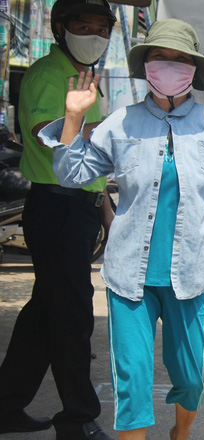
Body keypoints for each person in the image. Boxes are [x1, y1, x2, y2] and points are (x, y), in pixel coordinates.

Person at [37, 19, 204, 440]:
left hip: (191, 276)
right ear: (146, 66)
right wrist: (72, 118)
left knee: (192, 377)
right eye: (161, 57)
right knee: (133, 382)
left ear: (194, 69)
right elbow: (72, 174)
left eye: (180, 59)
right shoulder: (121, 124)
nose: (170, 66)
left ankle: (181, 434)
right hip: (129, 277)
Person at [0, 1, 117, 438]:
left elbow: (89, 166)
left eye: (102, 28)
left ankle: (6, 404)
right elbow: (45, 133)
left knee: (44, 314)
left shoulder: (85, 77)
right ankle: (78, 419)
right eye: (83, 25)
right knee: (72, 316)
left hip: (78, 207)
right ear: (60, 28)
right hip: (55, 207)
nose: (93, 34)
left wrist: (104, 208)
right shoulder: (50, 74)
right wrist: (96, 127)